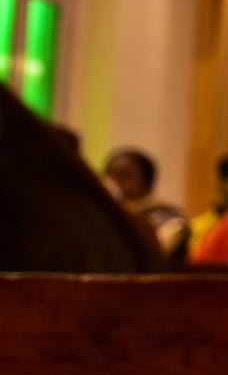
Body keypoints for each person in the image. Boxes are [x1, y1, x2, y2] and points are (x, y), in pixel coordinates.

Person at [0, 84, 163, 272]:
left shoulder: (26, 214)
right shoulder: (110, 220)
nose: (115, 181)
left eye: (125, 176)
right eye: (109, 173)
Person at [102, 146, 189, 261]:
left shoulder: (169, 218)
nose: (114, 184)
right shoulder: (103, 214)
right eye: (110, 176)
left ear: (146, 181)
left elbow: (156, 253)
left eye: (124, 176)